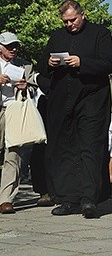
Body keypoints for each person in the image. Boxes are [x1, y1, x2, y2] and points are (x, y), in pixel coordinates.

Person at [38, 0, 112, 218]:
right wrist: (51, 63)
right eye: (66, 22)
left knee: (89, 147)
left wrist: (82, 62)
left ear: (82, 15)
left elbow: (109, 63)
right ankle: (66, 198)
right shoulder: (56, 36)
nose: (70, 25)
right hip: (62, 101)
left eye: (73, 20)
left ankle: (89, 199)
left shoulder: (100, 33)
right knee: (63, 148)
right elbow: (41, 63)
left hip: (91, 99)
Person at [0, 32, 37, 214]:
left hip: (14, 110)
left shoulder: (25, 65)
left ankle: (6, 199)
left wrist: (26, 86)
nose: (13, 49)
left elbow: (35, 86)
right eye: (9, 46)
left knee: (13, 155)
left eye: (15, 46)